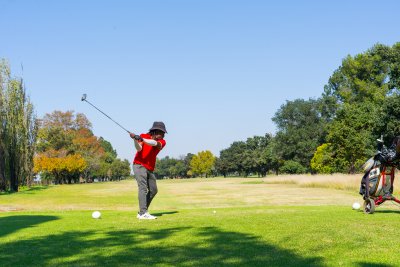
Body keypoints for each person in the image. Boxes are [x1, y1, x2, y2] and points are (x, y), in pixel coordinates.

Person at [130, 121, 167, 220]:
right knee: (143, 188)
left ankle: (142, 212)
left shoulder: (162, 142)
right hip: (139, 165)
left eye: (163, 133)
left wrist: (142, 139)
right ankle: (143, 213)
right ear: (155, 131)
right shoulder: (143, 136)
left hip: (150, 168)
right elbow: (139, 148)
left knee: (154, 190)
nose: (163, 135)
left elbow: (154, 143)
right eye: (161, 132)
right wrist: (135, 139)